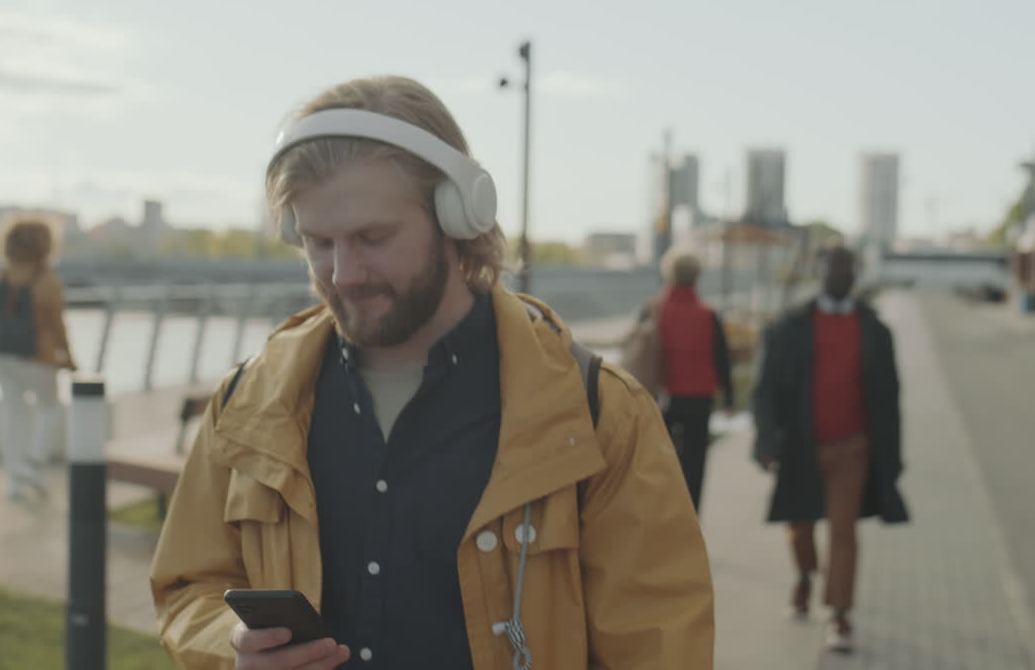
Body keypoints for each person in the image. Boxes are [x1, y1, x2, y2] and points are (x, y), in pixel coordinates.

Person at [149, 76, 714, 669]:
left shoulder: (599, 415)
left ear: (457, 216)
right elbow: (190, 586)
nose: (343, 274)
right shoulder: (247, 402)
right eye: (318, 242)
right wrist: (231, 648)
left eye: (373, 237)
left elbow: (661, 645)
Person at [751, 243, 909, 654]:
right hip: (800, 447)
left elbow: (891, 398)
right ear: (819, 274)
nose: (838, 276)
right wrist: (766, 441)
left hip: (853, 447)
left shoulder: (875, 331)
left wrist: (892, 457)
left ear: (854, 275)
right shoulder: (789, 327)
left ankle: (840, 614)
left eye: (845, 270)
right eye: (830, 270)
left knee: (844, 531)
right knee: (799, 526)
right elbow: (764, 390)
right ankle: (804, 577)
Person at [0, 215, 77, 501]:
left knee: (14, 413)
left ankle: (13, 478)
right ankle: (34, 462)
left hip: (1, 357)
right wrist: (68, 358)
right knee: (51, 408)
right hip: (37, 357)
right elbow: (56, 324)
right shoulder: (46, 280)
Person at [652, 249, 735, 514]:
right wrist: (730, 400)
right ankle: (690, 521)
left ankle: (663, 519)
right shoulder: (708, 315)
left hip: (664, 400)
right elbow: (722, 360)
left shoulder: (655, 312)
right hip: (700, 400)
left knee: (660, 464)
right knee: (695, 464)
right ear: (697, 277)